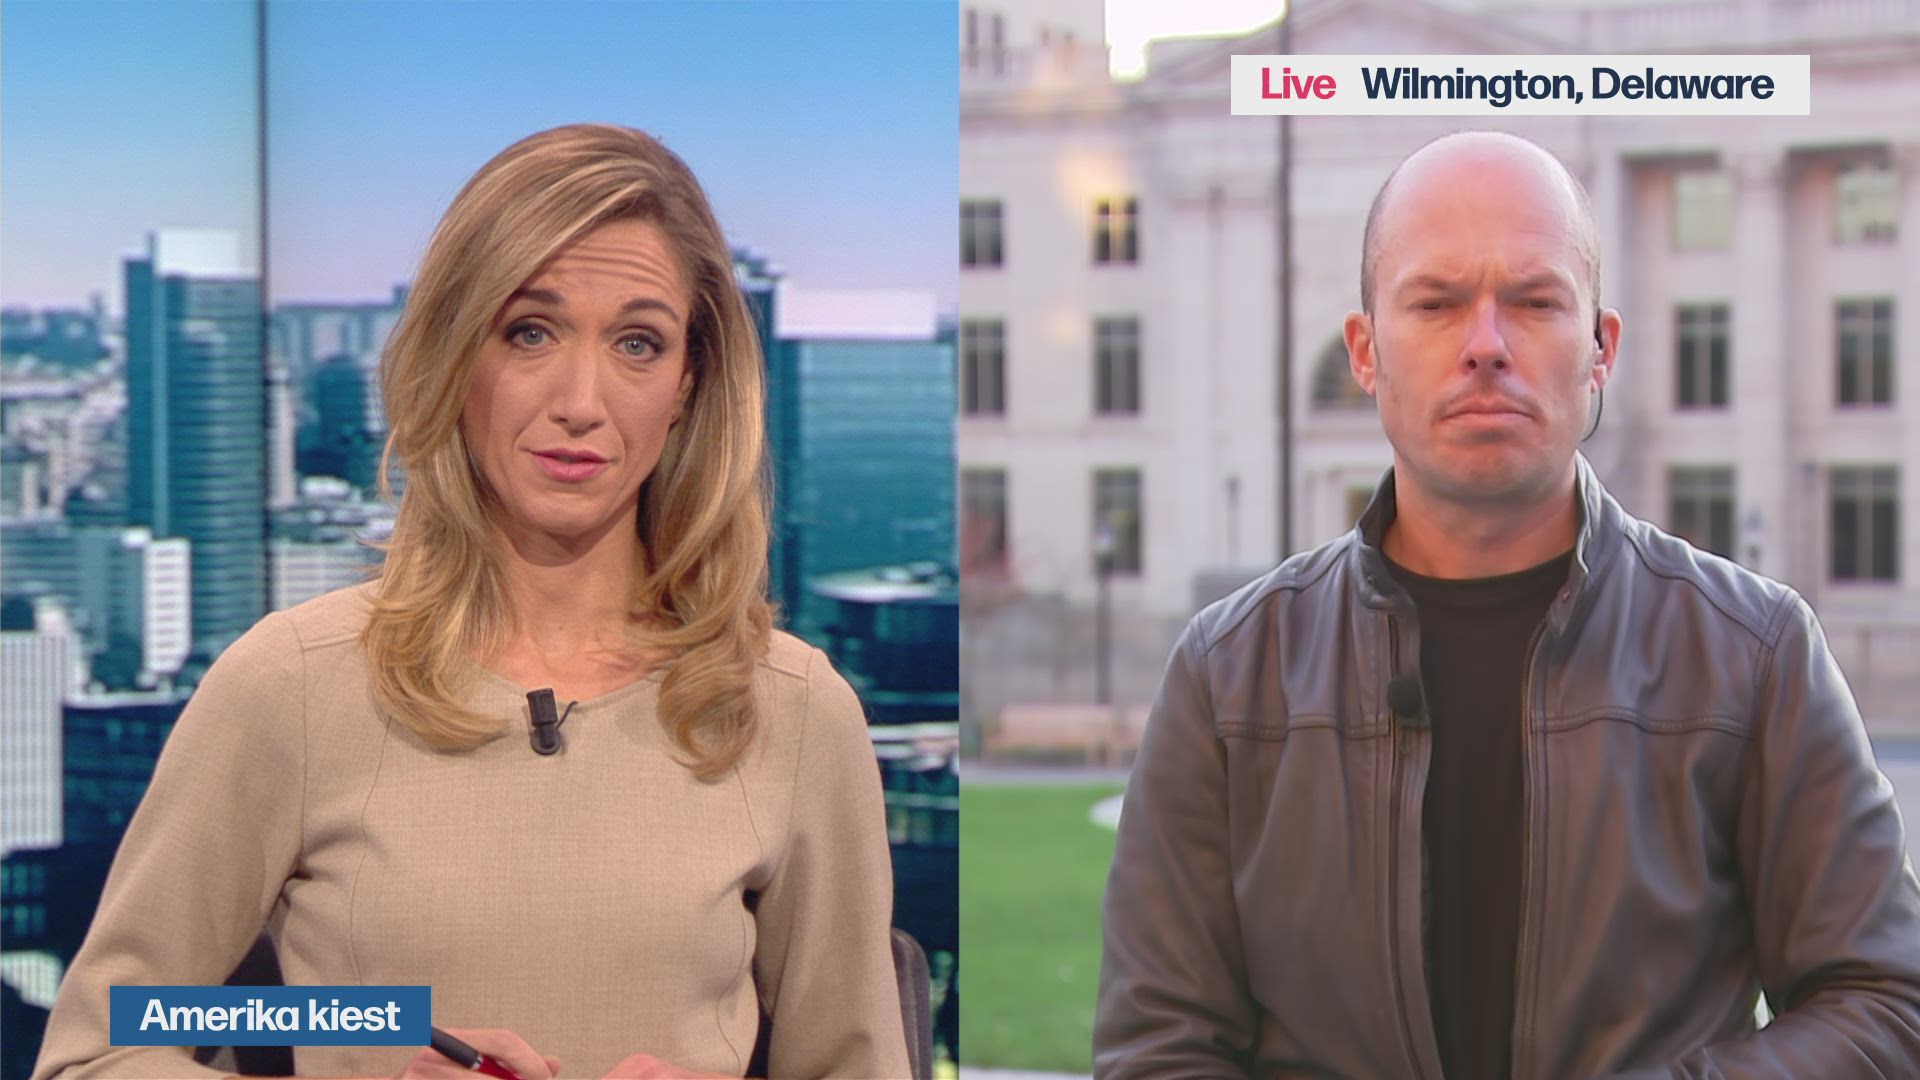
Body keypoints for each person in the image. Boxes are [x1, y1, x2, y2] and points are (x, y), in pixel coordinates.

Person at [34, 124, 909, 1080]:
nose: (582, 401)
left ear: (686, 386)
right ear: (454, 357)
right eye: (530, 331)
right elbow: (103, 1049)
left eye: (637, 343)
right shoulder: (293, 685)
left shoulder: (790, 708)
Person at [1093, 130, 1920, 1078]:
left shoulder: (1751, 654)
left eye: (1533, 302)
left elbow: (1888, 1004)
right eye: (1436, 304)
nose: (1485, 346)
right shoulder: (1230, 675)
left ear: (1600, 349)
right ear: (1365, 352)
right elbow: (1159, 1045)